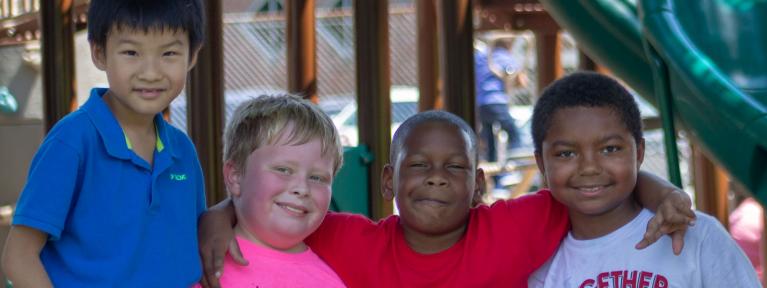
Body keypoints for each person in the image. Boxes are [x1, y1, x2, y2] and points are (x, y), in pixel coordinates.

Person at [199, 110, 696, 288]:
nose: (436, 179)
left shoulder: (512, 228)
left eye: (455, 168)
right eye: (419, 166)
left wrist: (666, 193)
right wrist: (219, 214)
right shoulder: (351, 241)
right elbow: (276, 214)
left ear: (478, 186)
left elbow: (589, 182)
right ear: (389, 182)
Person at [1, 0, 206, 286]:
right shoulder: (72, 144)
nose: (151, 72)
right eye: (131, 52)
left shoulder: (182, 151)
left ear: (192, 56)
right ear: (99, 53)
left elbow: (198, 238)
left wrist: (224, 216)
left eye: (169, 53)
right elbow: (19, 256)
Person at [528, 72, 760, 287]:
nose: (589, 168)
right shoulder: (541, 267)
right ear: (541, 164)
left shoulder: (700, 237)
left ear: (638, 153)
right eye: (566, 153)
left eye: (610, 149)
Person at [192, 95, 346, 287]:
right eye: (283, 170)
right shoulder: (197, 265)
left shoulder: (332, 280)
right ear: (235, 176)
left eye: (317, 178)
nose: (302, 188)